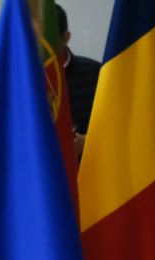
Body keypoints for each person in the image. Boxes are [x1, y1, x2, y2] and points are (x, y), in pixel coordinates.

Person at [56, 4, 101, 157]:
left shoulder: (95, 74)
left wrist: (86, 142)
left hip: (87, 167)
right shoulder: (18, 83)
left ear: (65, 38)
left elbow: (115, 127)